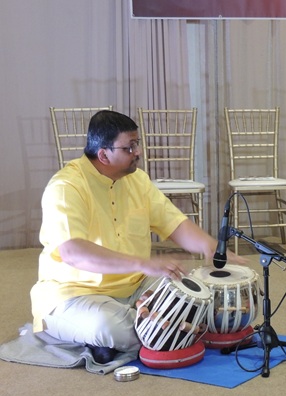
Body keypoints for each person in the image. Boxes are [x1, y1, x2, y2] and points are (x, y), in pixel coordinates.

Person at [31, 110, 246, 364]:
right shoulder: (66, 187)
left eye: (137, 144)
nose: (138, 152)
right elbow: (74, 252)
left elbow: (174, 223)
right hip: (74, 294)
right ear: (103, 154)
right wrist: (143, 264)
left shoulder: (137, 180)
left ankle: (144, 328)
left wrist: (211, 248)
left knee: (195, 294)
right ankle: (125, 331)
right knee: (110, 327)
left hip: (136, 286)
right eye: (129, 147)